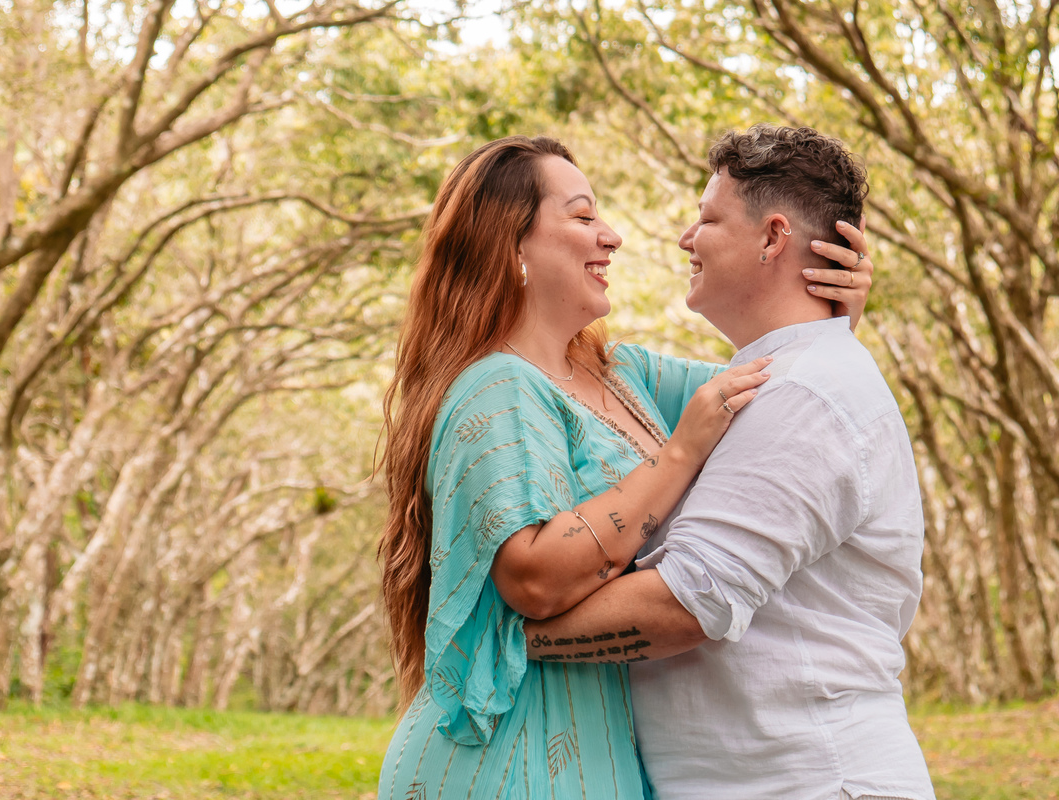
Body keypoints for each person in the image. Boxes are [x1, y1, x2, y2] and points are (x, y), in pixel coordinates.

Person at [377, 134, 874, 799]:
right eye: (582, 217)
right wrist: (680, 453)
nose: (610, 236)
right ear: (513, 245)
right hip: (510, 761)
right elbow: (532, 577)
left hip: (599, 751)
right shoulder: (495, 386)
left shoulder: (626, 374)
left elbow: (777, 393)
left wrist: (829, 306)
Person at [522, 125, 935, 799]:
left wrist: (506, 635)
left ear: (774, 238)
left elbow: (686, 605)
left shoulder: (806, 393)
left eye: (708, 218)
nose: (687, 237)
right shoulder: (783, 381)